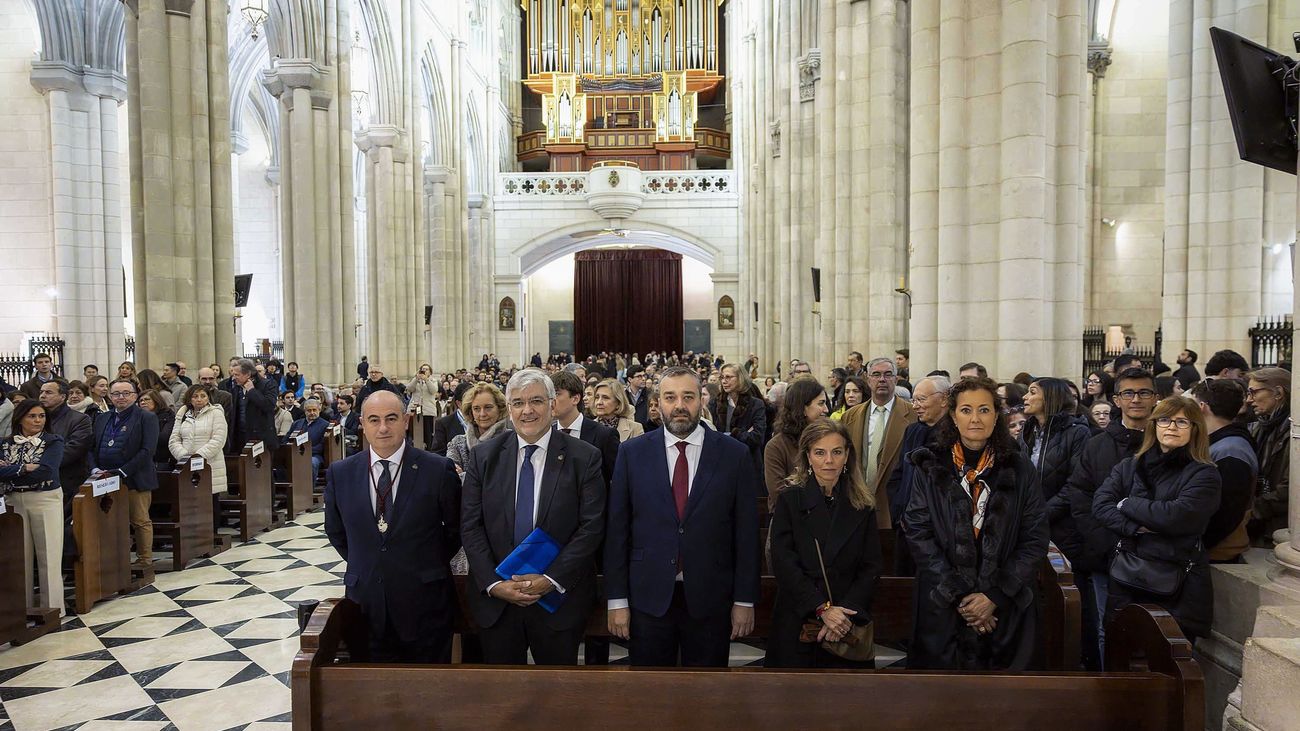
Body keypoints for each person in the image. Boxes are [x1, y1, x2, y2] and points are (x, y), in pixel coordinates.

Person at [605, 366, 760, 667]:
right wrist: (617, 599)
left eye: (688, 397)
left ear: (702, 400)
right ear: (658, 403)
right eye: (670, 397)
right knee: (650, 696)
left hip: (711, 597)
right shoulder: (632, 453)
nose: (679, 405)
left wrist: (744, 599)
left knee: (709, 696)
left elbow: (746, 533)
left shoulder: (733, 454)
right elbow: (617, 532)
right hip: (647, 597)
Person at [460, 370, 606, 665]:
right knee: (502, 700)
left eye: (536, 401)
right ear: (509, 409)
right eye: (518, 403)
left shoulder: (584, 457)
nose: (527, 411)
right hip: (498, 603)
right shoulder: (484, 456)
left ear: (553, 405)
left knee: (557, 699)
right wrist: (493, 583)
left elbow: (591, 527)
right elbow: (470, 525)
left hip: (558, 602)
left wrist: (550, 579)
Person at [904, 377, 1049, 670]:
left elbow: (1034, 537)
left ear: (996, 416)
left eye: (984, 410)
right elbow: (917, 530)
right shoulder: (930, 465)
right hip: (944, 604)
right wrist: (961, 596)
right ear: (953, 416)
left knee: (1004, 705)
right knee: (942, 704)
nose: (975, 418)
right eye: (966, 410)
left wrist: (993, 597)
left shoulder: (1019, 468)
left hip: (1005, 607)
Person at [324, 391, 461, 663]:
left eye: (391, 418)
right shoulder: (341, 473)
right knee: (373, 695)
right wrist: (370, 561)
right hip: (365, 604)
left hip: (425, 602)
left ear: (406, 420)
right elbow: (336, 531)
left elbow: (456, 530)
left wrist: (421, 563)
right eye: (374, 420)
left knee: (427, 690)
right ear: (362, 423)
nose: (383, 427)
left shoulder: (437, 469)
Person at [1048, 367, 1156, 670]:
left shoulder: (1168, 442)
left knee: (1155, 634)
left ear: (1155, 398)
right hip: (1106, 555)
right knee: (1107, 629)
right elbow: (1081, 498)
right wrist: (1107, 544)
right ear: (1117, 400)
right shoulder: (1097, 444)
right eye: (1129, 393)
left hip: (1157, 558)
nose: (1136, 399)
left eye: (1144, 392)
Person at [1092, 397, 1221, 641]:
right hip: (1128, 573)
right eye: (1164, 420)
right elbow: (1100, 505)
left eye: (1181, 421)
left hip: (1176, 580)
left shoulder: (1204, 473)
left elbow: (1176, 516)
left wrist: (1128, 503)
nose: (1171, 427)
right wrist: (1134, 527)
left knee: (1168, 659)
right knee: (1120, 653)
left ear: (1195, 429)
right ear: (1154, 425)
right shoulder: (1130, 466)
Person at [766, 418, 882, 668]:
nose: (829, 460)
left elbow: (871, 566)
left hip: (847, 622)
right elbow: (783, 561)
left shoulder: (863, 504)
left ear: (847, 455)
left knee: (847, 703)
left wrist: (844, 614)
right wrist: (822, 609)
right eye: (820, 452)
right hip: (800, 617)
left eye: (836, 452)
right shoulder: (790, 500)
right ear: (808, 456)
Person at [0, 400, 66, 614]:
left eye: (41, 416)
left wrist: (10, 471)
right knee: (20, 557)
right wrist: (24, 468)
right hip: (13, 501)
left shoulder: (52, 441)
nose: (38, 420)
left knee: (49, 554)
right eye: (32, 416)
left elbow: (46, 471)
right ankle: (22, 609)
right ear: (20, 418)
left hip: (44, 499)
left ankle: (53, 609)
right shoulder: (4, 443)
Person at [89, 379, 160, 568]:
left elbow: (148, 450)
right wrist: (95, 468)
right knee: (109, 521)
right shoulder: (103, 417)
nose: (121, 397)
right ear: (110, 397)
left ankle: (144, 559)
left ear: (135, 396)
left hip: (135, 478)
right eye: (116, 394)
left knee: (139, 520)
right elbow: (91, 447)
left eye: (126, 393)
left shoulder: (146, 417)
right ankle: (115, 559)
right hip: (104, 478)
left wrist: (123, 471)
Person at [842, 357, 917, 530]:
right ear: (868, 379)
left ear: (896, 379)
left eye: (888, 374)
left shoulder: (913, 416)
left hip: (895, 509)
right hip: (857, 506)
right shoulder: (850, 416)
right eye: (876, 374)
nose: (882, 379)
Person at [888, 374, 951, 575]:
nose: (915, 406)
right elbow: (898, 473)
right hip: (906, 525)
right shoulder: (912, 430)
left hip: (938, 531)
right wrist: (898, 509)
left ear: (944, 399)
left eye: (921, 400)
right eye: (913, 400)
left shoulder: (956, 434)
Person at [1190, 379, 1257, 563]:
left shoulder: (1230, 450)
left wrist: (1196, 545)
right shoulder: (1224, 444)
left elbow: (1227, 512)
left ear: (1202, 407)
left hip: (1218, 551)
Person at [1019, 377, 1091, 502]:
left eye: (1032, 392)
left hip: (1060, 516)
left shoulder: (1077, 432)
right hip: (1028, 512)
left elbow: (1076, 482)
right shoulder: (1026, 430)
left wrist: (1045, 512)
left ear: (1050, 396)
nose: (1025, 397)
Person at [763, 378, 829, 505]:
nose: (826, 409)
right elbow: (779, 493)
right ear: (803, 408)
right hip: (791, 519)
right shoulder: (776, 446)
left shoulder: (830, 440)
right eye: (821, 403)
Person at [551, 370, 620, 486]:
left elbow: (617, 480)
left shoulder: (604, 435)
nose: (551, 401)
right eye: (549, 395)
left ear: (575, 399)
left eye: (557, 394)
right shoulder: (548, 433)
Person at [1246, 367, 1290, 544]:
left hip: (1280, 528)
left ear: (1278, 392)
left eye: (1253, 392)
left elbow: (1291, 489)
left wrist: (1254, 510)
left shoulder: (1294, 431)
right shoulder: (1259, 428)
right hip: (1261, 525)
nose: (1249, 400)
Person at [169, 384, 229, 504]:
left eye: (203, 396)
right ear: (189, 399)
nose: (199, 399)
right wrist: (185, 457)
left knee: (210, 503)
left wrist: (197, 458)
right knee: (190, 504)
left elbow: (218, 440)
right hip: (186, 465)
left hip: (210, 463)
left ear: (208, 398)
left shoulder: (216, 413)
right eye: (195, 396)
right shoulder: (182, 414)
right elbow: (174, 440)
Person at [37, 381, 92, 510]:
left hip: (66, 483)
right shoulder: (36, 418)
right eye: (41, 392)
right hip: (38, 483)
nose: (42, 396)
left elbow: (74, 449)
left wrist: (39, 464)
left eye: (48, 392)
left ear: (63, 397)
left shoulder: (80, 420)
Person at [711, 363, 767, 486]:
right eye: (722, 378)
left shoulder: (756, 405)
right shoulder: (715, 403)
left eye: (729, 377)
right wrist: (743, 433)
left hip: (748, 464)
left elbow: (757, 438)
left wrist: (731, 434)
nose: (724, 381)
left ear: (740, 378)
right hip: (721, 464)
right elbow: (711, 436)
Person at [446, 383, 511, 473]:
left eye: (488, 407)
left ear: (500, 408)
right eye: (476, 409)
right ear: (470, 412)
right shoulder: (457, 443)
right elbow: (450, 479)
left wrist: (464, 476)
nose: (482, 414)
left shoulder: (512, 440)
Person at [227, 358, 281, 455]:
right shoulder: (236, 387)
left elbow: (268, 406)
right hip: (240, 438)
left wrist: (252, 391)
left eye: (237, 375)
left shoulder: (268, 384)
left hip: (260, 439)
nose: (234, 378)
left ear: (248, 374)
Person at [591, 378, 645, 443]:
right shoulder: (587, 428)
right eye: (597, 397)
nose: (599, 402)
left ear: (618, 403)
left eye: (605, 398)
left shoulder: (635, 428)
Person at [290, 399, 330, 484]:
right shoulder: (297, 424)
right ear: (305, 411)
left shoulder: (325, 425)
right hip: (295, 453)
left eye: (314, 410)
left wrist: (305, 452)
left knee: (311, 462)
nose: (312, 413)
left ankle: (308, 488)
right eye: (309, 410)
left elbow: (322, 445)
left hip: (315, 455)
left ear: (319, 410)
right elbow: (286, 439)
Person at [430, 381, 472, 456]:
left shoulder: (481, 419)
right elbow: (437, 454)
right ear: (459, 403)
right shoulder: (444, 423)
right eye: (469, 402)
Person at [137, 389, 175, 468]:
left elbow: (164, 438)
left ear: (156, 400)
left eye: (147, 399)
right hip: (140, 461)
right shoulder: (137, 417)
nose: (143, 402)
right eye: (140, 401)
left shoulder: (168, 414)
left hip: (161, 460)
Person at [406, 364, 439, 450]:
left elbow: (433, 391)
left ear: (430, 372)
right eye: (422, 369)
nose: (424, 371)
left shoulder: (433, 380)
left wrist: (426, 380)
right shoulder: (415, 380)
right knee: (413, 433)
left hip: (428, 410)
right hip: (415, 409)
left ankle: (428, 450)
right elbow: (409, 389)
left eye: (426, 369)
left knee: (427, 433)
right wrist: (416, 379)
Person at [625, 365, 652, 430]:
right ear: (630, 379)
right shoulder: (623, 395)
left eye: (644, 376)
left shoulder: (650, 394)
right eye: (639, 376)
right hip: (628, 432)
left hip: (646, 431)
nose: (643, 379)